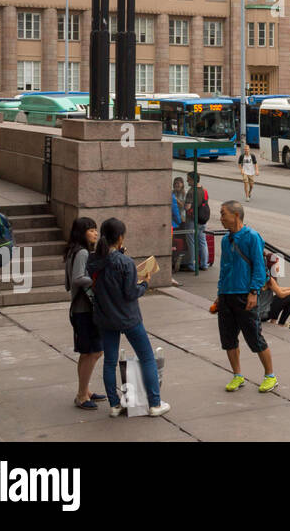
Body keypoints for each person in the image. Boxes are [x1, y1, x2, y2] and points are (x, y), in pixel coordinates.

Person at [87, 217, 169, 417]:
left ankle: (115, 405)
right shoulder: (125, 262)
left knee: (110, 361)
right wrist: (144, 283)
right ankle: (154, 403)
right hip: (128, 317)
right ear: (121, 238)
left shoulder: (93, 260)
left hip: (105, 317)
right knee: (147, 357)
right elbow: (130, 293)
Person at [214, 200, 277, 393]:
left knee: (255, 337)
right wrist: (219, 294)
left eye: (223, 213)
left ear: (236, 216)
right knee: (228, 339)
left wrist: (253, 292)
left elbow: (259, 266)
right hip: (227, 295)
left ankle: (270, 376)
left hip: (244, 294)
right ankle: (237, 375)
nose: (221, 217)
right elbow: (223, 269)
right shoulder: (226, 239)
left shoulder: (252, 237)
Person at [64, 216, 106, 409]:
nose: (95, 233)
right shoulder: (81, 252)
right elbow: (78, 278)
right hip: (85, 309)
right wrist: (97, 279)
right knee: (94, 352)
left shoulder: (74, 251)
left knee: (87, 353)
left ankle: (85, 390)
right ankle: (82, 395)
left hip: (79, 309)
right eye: (91, 230)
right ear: (82, 233)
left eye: (96, 229)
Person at [259, 252, 290, 327]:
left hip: (257, 312)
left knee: (277, 299)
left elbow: (277, 288)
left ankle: (273, 322)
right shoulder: (269, 279)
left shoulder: (263, 275)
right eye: (277, 265)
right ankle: (281, 324)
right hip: (263, 315)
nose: (278, 267)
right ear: (272, 266)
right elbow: (280, 294)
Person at [184, 171, 210, 271]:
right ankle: (204, 264)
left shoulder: (191, 191)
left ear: (193, 180)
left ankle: (192, 264)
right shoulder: (204, 190)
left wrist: (181, 204)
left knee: (191, 242)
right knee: (202, 241)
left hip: (192, 220)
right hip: (202, 219)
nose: (187, 181)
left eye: (188, 179)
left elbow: (187, 207)